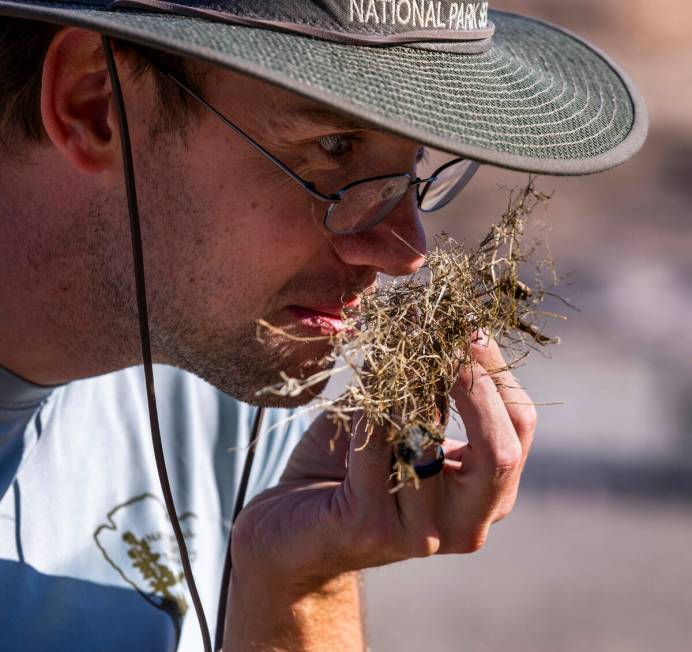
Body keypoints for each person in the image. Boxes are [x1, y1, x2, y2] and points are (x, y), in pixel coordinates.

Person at [0, 1, 647, 650]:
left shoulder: (228, 393)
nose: (403, 252)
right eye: (334, 148)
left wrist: (300, 582)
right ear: (93, 103)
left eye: (413, 165)